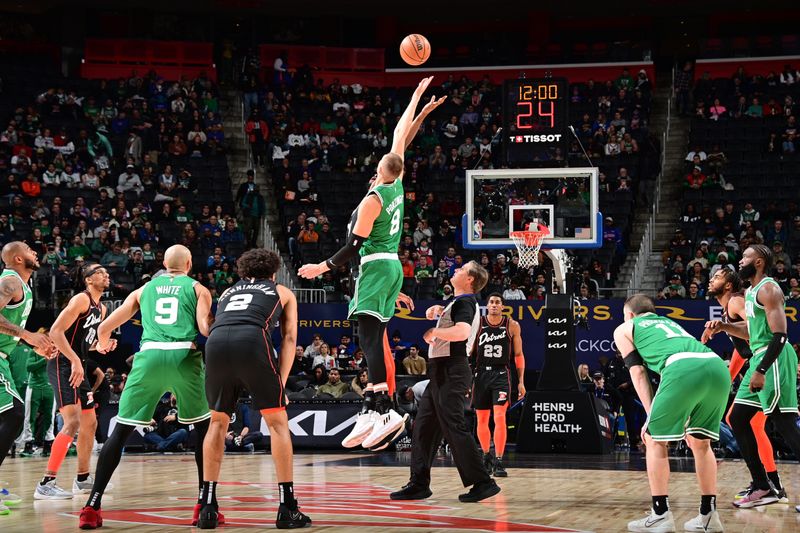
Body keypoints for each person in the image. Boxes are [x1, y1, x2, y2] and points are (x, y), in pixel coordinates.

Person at [298, 76, 446, 451]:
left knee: (367, 337)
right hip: (389, 266)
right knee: (371, 336)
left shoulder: (374, 199)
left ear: (381, 171)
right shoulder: (395, 184)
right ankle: (372, 405)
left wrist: (321, 268)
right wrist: (416, 102)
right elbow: (400, 139)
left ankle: (384, 409)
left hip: (375, 266)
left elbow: (352, 247)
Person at [78, 245, 215, 529]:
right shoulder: (198, 288)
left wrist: (103, 344)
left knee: (121, 431)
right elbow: (204, 328)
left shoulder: (143, 290)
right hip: (183, 356)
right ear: (189, 263)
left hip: (149, 356)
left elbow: (104, 328)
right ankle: (204, 505)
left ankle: (92, 506)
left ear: (164, 264)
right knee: (203, 430)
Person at [201, 248, 310, 529]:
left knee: (217, 422)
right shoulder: (282, 291)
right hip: (251, 340)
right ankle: (288, 507)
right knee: (277, 423)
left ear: (243, 272)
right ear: (273, 272)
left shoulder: (226, 292)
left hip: (215, 344)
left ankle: (208, 507)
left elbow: (213, 322)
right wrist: (281, 382)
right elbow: (288, 338)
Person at [614, 294, 728, 533]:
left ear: (631, 315)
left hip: (682, 366)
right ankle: (709, 515)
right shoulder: (670, 322)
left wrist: (649, 414)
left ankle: (660, 514)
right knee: (700, 442)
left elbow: (638, 373)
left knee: (654, 439)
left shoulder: (625, 327)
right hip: (716, 366)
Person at [390, 261, 500, 503]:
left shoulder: (465, 301)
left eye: (462, 270)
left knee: (454, 425)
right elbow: (457, 323)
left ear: (470, 279)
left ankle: (483, 482)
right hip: (441, 370)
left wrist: (434, 332)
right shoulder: (459, 302)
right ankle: (418, 483)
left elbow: (461, 332)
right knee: (424, 427)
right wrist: (439, 312)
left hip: (452, 369)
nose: (456, 270)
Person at [705, 245, 800, 509]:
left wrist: (760, 370)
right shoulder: (748, 294)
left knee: (784, 424)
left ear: (758, 262)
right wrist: (723, 326)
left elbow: (779, 335)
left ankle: (770, 484)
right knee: (737, 418)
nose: (740, 261)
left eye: (745, 257)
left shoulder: (769, 289)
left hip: (775, 359)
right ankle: (763, 485)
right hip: (759, 356)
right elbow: (753, 332)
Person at [34, 264, 115, 500]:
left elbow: (84, 342)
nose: (106, 275)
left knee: (89, 423)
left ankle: (82, 479)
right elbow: (56, 332)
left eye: (106, 273)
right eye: (100, 272)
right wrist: (75, 361)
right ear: (88, 280)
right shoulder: (81, 299)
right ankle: (46, 483)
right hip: (62, 363)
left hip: (77, 363)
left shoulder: (102, 310)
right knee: (72, 422)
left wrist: (101, 347)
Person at [0, 242, 56, 514]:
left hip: (4, 356)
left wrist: (32, 343)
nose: (36, 253)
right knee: (13, 415)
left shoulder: (22, 287)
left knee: (8, 418)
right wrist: (27, 335)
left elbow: (11, 328)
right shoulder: (10, 281)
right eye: (31, 251)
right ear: (19, 258)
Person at [471, 293, 525, 478]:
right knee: (482, 418)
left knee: (500, 416)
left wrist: (521, 381)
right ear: (487, 306)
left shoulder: (512, 325)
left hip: (501, 373)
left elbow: (518, 355)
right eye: (491, 302)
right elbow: (467, 352)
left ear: (503, 306)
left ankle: (499, 460)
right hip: (481, 374)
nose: (494, 305)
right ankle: (487, 456)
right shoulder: (477, 324)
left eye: (497, 302)